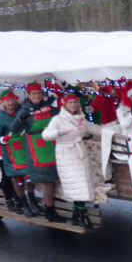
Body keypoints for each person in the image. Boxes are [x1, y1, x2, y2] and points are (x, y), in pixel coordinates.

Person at [43, 93, 104, 228]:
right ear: (65, 104)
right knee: (79, 184)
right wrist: (58, 133)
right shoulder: (58, 119)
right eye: (70, 102)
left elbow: (96, 129)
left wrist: (114, 130)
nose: (73, 105)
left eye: (75, 102)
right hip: (66, 154)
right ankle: (82, 215)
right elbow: (45, 135)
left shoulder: (81, 119)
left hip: (80, 153)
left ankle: (76, 214)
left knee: (80, 185)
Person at [11, 82, 63, 223]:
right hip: (37, 149)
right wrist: (20, 119)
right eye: (34, 93)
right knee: (48, 180)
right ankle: (49, 210)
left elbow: (60, 114)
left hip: (50, 145)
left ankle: (52, 208)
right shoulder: (24, 110)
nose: (37, 96)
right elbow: (14, 128)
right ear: (27, 95)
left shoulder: (45, 106)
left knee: (53, 179)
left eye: (39, 93)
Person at [0, 88, 35, 217]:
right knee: (17, 178)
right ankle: (22, 203)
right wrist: (2, 139)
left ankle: (32, 202)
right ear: (3, 103)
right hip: (11, 151)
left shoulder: (22, 111)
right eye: (7, 101)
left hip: (25, 148)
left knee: (28, 177)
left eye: (12, 100)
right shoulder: (0, 118)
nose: (10, 103)